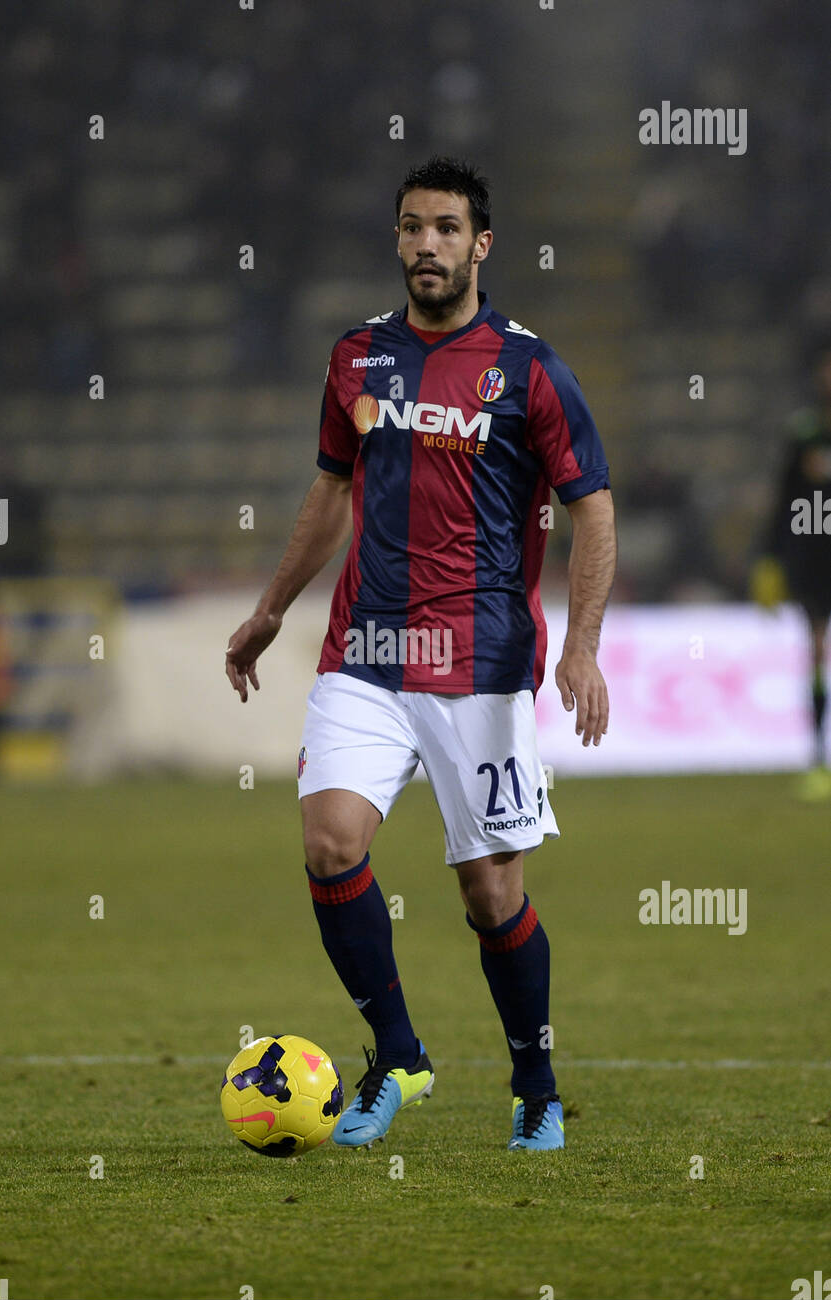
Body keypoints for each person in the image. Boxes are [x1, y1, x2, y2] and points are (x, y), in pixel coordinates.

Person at [226, 156, 616, 1151]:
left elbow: (592, 509)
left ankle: (534, 1080)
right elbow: (330, 495)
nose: (426, 245)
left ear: (480, 245)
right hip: (364, 650)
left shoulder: (529, 369)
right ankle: (397, 1052)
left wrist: (581, 649)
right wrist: (272, 608)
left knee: (491, 894)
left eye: (446, 229)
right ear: (396, 241)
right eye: (411, 228)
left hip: (479, 665)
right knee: (329, 843)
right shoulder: (355, 357)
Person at [752, 338, 831, 800]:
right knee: (816, 649)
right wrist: (770, 558)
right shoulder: (803, 433)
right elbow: (785, 500)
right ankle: (818, 758)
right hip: (815, 557)